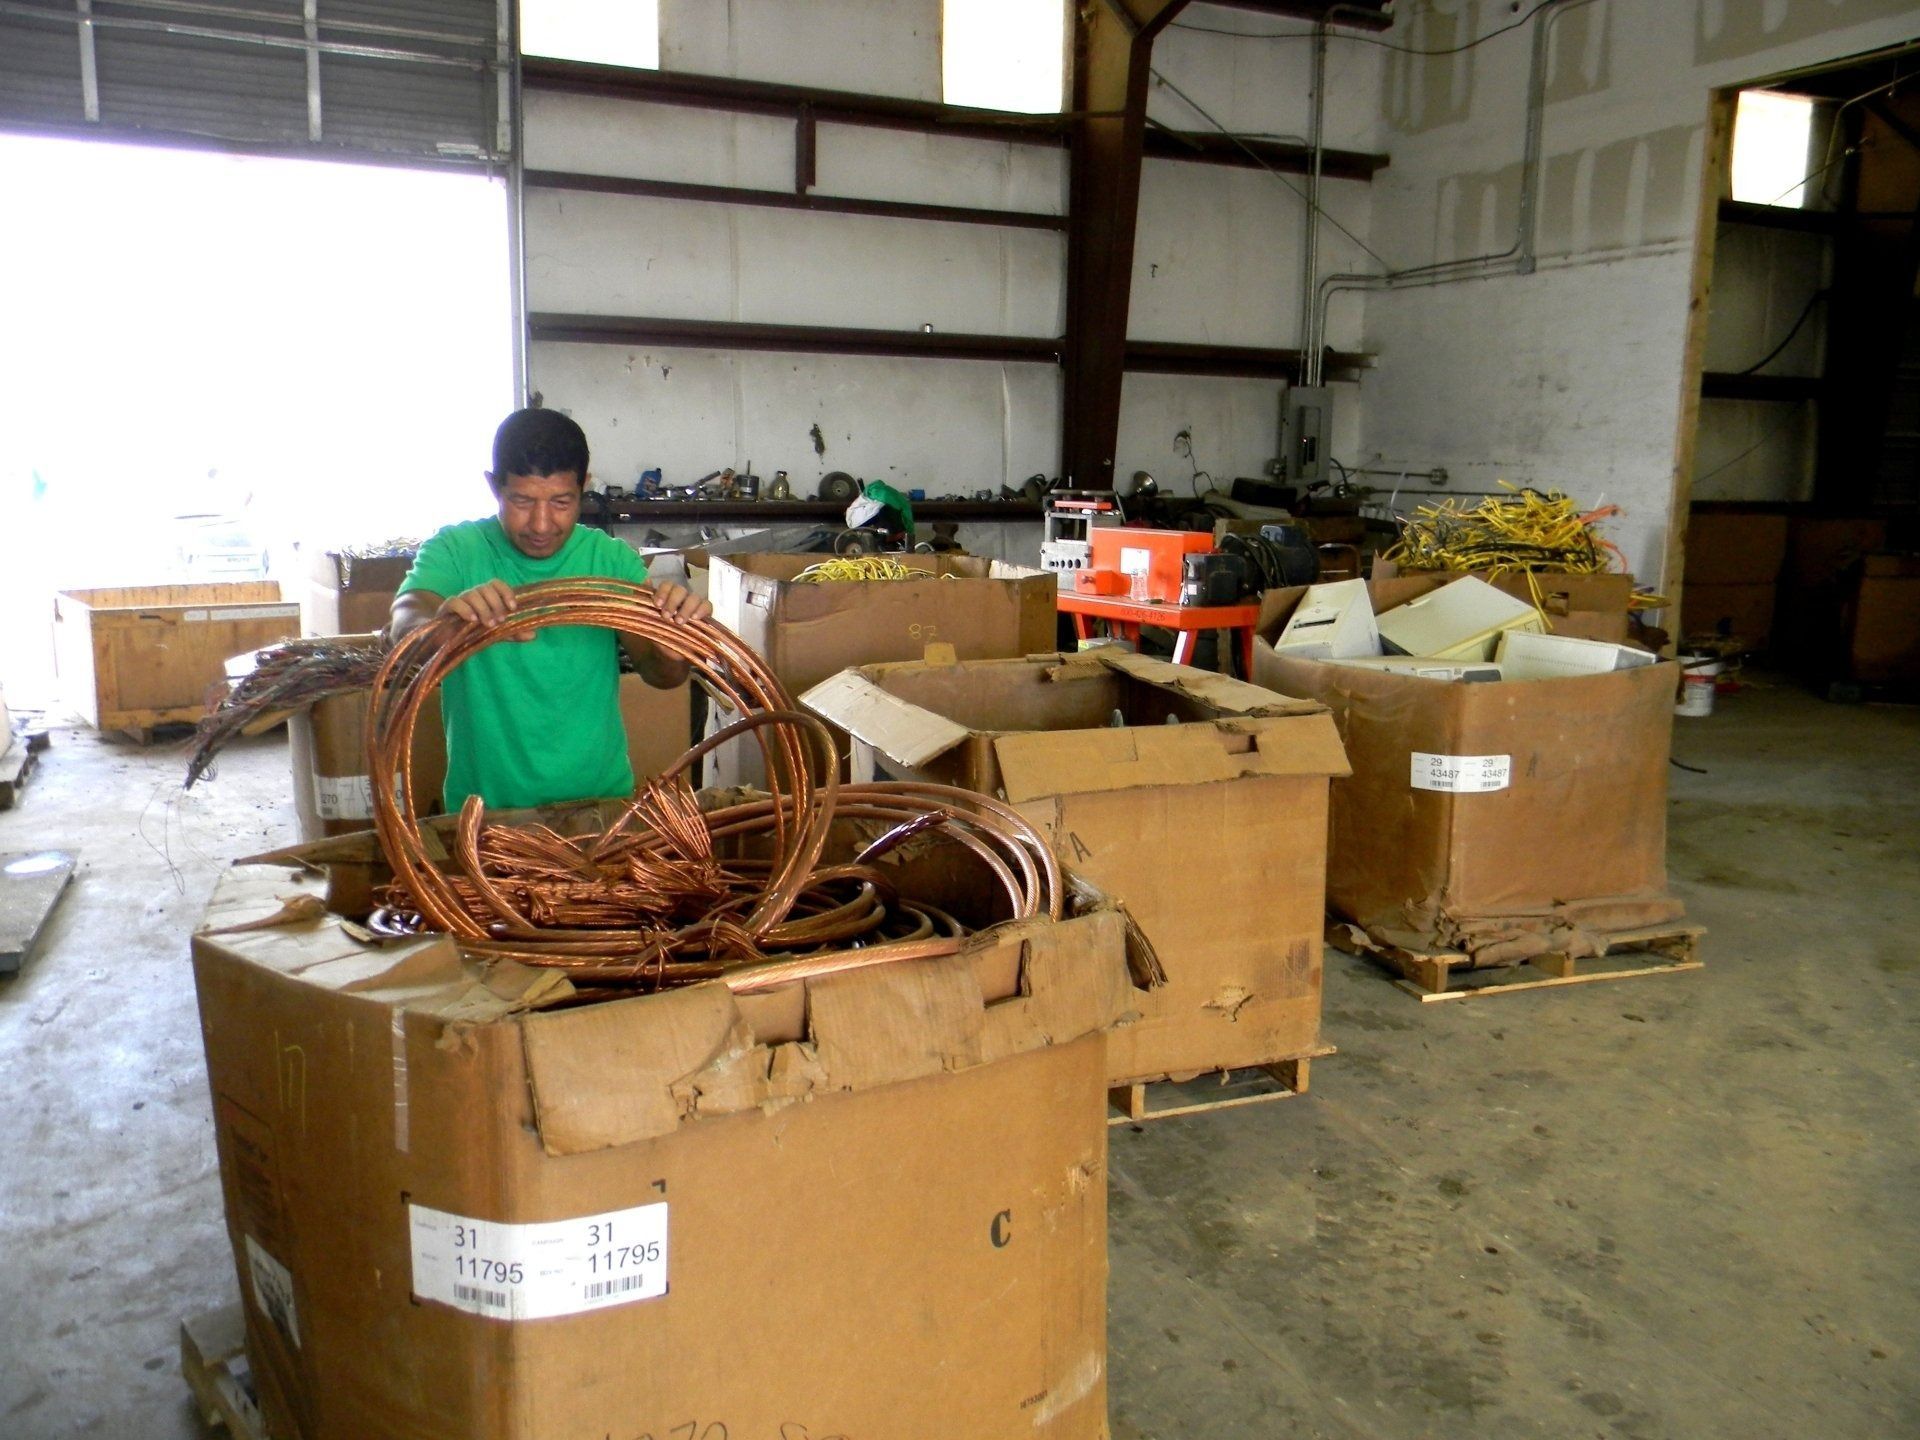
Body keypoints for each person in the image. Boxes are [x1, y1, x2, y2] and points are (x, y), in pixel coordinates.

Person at [389, 407, 711, 812]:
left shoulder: (610, 562)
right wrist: (445, 629)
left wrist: (673, 649)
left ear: (584, 487)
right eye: (522, 500)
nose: (541, 524)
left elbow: (662, 674)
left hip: (599, 808)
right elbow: (405, 624)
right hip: (482, 817)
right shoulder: (456, 550)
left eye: (561, 501)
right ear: (494, 486)